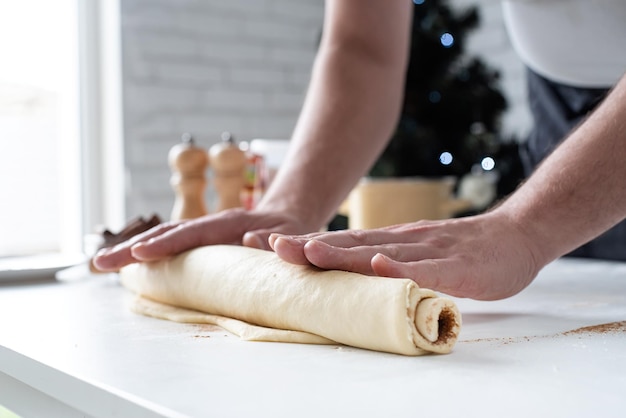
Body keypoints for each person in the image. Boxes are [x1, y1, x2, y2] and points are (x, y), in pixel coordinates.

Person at [93, 0, 626, 301]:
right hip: (563, 106)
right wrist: (291, 206)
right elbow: (363, 50)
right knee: (578, 317)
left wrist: (528, 227)